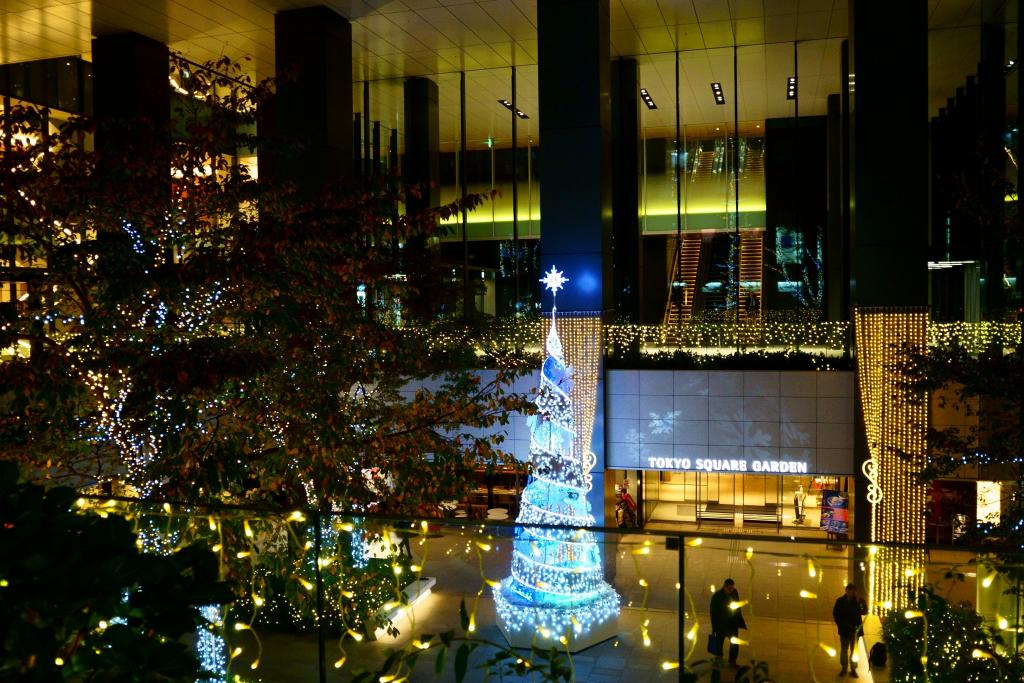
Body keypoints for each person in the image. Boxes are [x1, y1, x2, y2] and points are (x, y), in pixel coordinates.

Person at [709, 578, 747, 667]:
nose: (731, 590)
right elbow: (713, 612)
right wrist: (714, 626)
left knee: (734, 644)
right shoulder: (717, 596)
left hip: (732, 624)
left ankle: (732, 660)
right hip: (721, 625)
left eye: (732, 588)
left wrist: (738, 619)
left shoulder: (734, 592)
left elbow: (737, 607)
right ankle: (719, 658)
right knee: (719, 642)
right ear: (724, 587)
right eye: (729, 588)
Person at [833, 583, 868, 677]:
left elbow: (864, 611)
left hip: (855, 631)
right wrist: (840, 625)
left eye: (853, 591)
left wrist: (859, 602)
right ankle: (844, 667)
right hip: (844, 630)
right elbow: (836, 614)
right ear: (846, 591)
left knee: (854, 650)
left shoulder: (859, 601)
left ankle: (853, 668)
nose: (851, 593)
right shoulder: (840, 601)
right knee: (844, 649)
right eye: (849, 590)